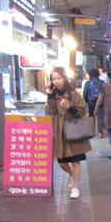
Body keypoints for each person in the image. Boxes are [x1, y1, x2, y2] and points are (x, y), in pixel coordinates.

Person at [46, 67, 91, 199]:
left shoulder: (73, 94)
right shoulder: (53, 96)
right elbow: (49, 112)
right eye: (53, 79)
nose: (56, 81)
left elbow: (82, 111)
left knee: (76, 162)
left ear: (64, 78)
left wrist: (69, 107)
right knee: (61, 162)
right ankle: (71, 175)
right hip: (60, 134)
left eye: (58, 78)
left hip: (73, 131)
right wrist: (49, 95)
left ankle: (76, 187)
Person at [83, 68, 104, 137]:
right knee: (100, 116)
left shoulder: (87, 83)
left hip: (91, 101)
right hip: (100, 101)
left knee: (91, 116)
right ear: (98, 74)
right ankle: (100, 132)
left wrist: (87, 100)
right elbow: (105, 93)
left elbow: (85, 93)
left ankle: (91, 132)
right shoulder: (102, 82)